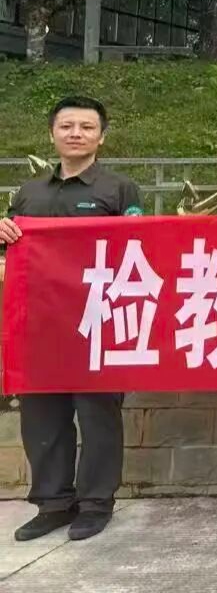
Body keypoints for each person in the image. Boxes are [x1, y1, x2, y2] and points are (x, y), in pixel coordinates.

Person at [1, 96, 143, 543]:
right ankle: (53, 503)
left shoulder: (119, 189)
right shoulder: (30, 193)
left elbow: (137, 246)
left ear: (102, 136)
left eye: (86, 126)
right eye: (66, 126)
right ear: (52, 134)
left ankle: (96, 503)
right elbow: (14, 248)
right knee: (41, 415)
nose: (76, 133)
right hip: (40, 322)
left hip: (97, 319)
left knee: (98, 415)